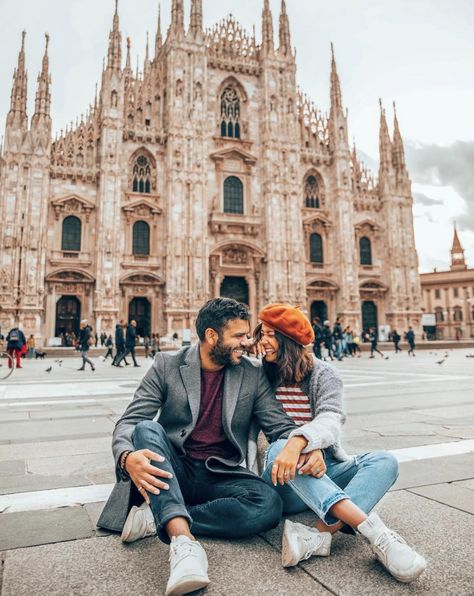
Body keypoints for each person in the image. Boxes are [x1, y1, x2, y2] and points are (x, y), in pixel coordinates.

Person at [97, 298, 303, 596]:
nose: (246, 343)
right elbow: (129, 421)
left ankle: (162, 514)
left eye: (247, 335)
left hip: (220, 472)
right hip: (174, 467)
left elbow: (278, 423)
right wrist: (126, 457)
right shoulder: (167, 365)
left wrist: (300, 442)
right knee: (146, 429)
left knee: (268, 506)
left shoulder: (251, 372)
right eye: (238, 336)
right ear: (211, 336)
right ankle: (183, 543)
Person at [254, 303, 426, 583]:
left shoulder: (323, 374)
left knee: (385, 460)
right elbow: (268, 438)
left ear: (288, 341)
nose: (262, 342)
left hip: (324, 470)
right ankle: (376, 533)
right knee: (278, 447)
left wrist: (305, 443)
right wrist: (297, 446)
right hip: (282, 478)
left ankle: (318, 534)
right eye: (261, 334)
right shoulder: (258, 375)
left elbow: (331, 419)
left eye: (270, 335)